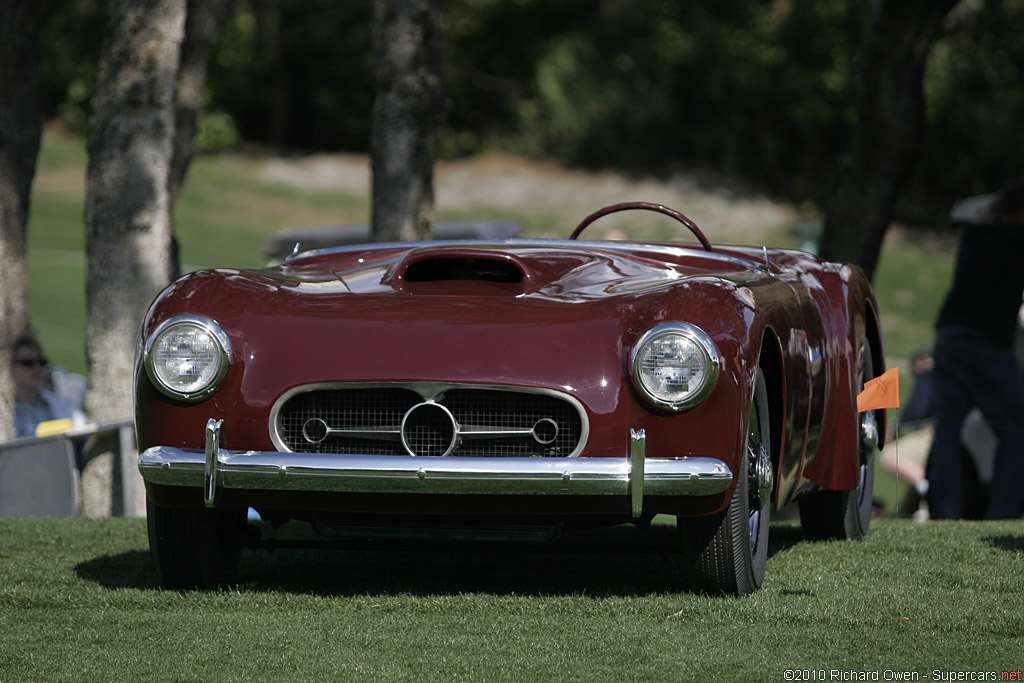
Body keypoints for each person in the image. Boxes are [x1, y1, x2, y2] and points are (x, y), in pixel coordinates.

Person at [925, 178, 1024, 520]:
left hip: (951, 336)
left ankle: (945, 512)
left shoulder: (976, 230)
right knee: (1016, 429)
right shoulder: (1016, 240)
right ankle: (1003, 511)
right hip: (987, 345)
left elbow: (963, 207)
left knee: (947, 430)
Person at [10, 333, 83, 439]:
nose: (36, 368)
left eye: (41, 362)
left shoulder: (59, 403)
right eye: (27, 363)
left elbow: (82, 426)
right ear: (10, 368)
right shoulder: (8, 410)